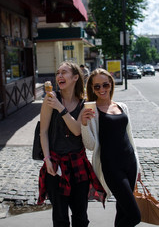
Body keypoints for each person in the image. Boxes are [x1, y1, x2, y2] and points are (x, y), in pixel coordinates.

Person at [37, 61, 106, 227]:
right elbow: (43, 132)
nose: (59, 75)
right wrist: (47, 159)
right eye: (58, 73)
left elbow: (76, 130)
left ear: (75, 77)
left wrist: (60, 108)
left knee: (81, 216)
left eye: (64, 72)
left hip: (78, 164)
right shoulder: (50, 99)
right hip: (56, 164)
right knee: (60, 218)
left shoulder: (85, 103)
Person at [81, 68, 141, 227]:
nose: (102, 89)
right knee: (135, 216)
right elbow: (91, 145)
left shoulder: (122, 106)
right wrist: (84, 124)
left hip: (130, 164)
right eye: (97, 86)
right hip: (111, 168)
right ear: (92, 89)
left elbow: (130, 137)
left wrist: (138, 167)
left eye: (105, 85)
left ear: (111, 85)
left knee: (122, 211)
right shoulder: (91, 111)